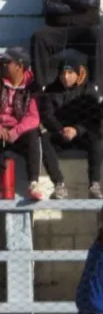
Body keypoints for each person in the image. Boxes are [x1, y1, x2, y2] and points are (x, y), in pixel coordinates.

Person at [38, 51, 103, 199]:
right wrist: (61, 130)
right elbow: (47, 115)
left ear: (78, 74)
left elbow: (93, 117)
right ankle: (59, 184)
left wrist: (76, 130)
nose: (65, 77)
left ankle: (94, 185)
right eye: (62, 73)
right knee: (42, 138)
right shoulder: (51, 90)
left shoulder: (88, 90)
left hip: (81, 135)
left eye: (70, 73)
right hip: (59, 134)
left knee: (96, 138)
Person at [31, 0, 103, 90]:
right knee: (39, 37)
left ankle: (94, 85)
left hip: (83, 30)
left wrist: (66, 0)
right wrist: (77, 6)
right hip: (58, 29)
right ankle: (41, 85)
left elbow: (91, 2)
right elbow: (48, 5)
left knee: (98, 36)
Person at [0, 48, 45, 201]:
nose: (3, 64)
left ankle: (33, 183)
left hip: (18, 132)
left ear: (19, 66)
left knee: (34, 135)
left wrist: (15, 132)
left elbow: (33, 117)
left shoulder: (32, 87)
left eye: (7, 62)